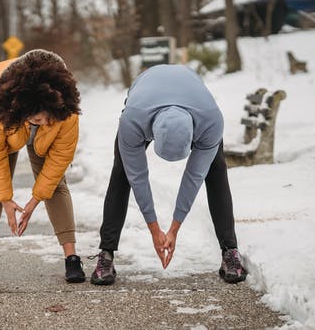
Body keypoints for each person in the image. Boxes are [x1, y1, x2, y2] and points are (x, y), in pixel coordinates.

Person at [90, 64, 247, 285]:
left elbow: (194, 176)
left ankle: (230, 251)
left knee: (215, 171)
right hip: (144, 91)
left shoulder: (211, 121)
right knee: (123, 173)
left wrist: (174, 228)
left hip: (194, 95)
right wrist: (155, 229)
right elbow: (139, 177)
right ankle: (105, 254)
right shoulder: (132, 121)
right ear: (151, 132)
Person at [0, 49, 85, 284]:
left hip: (32, 115)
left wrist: (35, 199)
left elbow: (59, 159)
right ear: (23, 113)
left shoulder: (65, 110)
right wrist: (6, 200)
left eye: (50, 118)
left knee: (56, 183)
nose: (46, 123)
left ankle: (72, 257)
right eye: (39, 120)